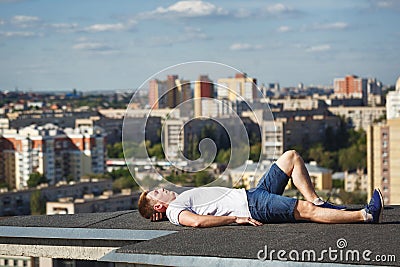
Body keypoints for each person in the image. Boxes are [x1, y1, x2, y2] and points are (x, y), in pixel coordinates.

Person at [138, 150, 384, 227]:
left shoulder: (177, 201)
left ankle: (320, 203)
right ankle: (365, 215)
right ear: (159, 205)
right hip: (253, 206)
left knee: (291, 157)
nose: (161, 188)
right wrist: (236, 218)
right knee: (304, 210)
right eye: (156, 192)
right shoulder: (174, 210)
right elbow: (196, 222)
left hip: (253, 194)